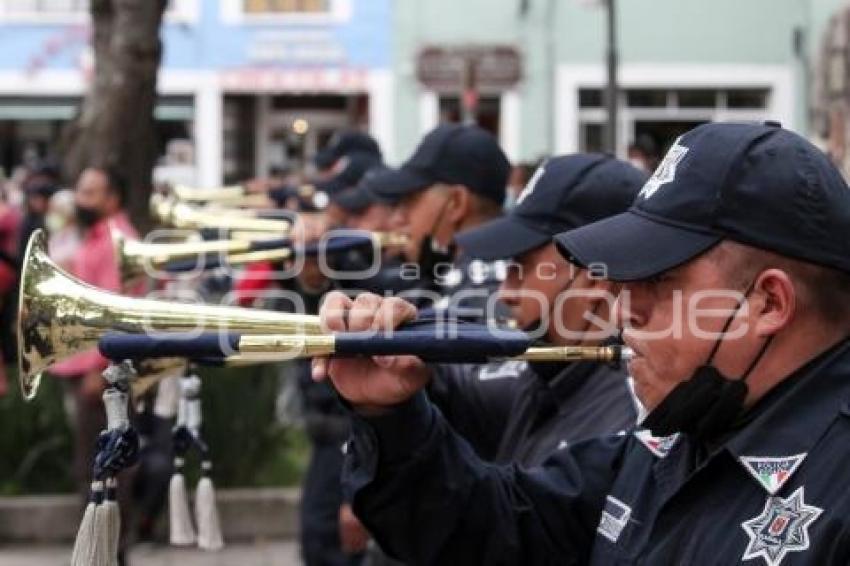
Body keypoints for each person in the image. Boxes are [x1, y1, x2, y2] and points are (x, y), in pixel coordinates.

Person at [314, 121, 850, 564]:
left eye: (658, 281)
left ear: (769, 304)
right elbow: (494, 529)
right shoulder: (679, 435)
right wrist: (391, 413)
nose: (621, 309)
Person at [427, 154, 645, 465]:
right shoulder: (551, 373)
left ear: (596, 279)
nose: (505, 292)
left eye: (523, 267)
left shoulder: (619, 422)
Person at [50, 166, 138, 564]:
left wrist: (97, 367)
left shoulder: (116, 241)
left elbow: (118, 311)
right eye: (80, 190)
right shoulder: (98, 236)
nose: (80, 200)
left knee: (101, 465)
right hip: (92, 368)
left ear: (112, 199)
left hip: (100, 372)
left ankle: (108, 553)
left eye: (89, 193)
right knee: (95, 463)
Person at [368, 123, 511, 318]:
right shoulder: (454, 276)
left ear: (456, 203)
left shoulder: (483, 295)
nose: (397, 219)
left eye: (410, 201)